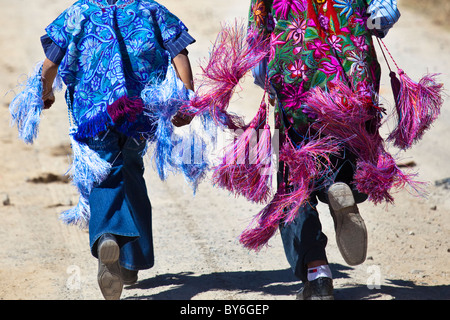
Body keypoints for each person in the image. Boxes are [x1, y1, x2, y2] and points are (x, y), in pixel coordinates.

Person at [37, 0, 195, 300]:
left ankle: (108, 234)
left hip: (94, 114)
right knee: (131, 171)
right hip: (139, 110)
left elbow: (50, 63)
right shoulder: (150, 9)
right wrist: (186, 97)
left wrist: (45, 93)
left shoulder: (79, 12)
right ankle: (130, 260)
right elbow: (179, 51)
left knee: (106, 174)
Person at [246, 0, 401, 299]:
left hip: (296, 76)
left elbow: (258, 33)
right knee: (345, 146)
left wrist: (264, 76)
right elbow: (383, 15)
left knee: (295, 180)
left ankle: (317, 276)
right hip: (351, 76)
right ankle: (341, 186)